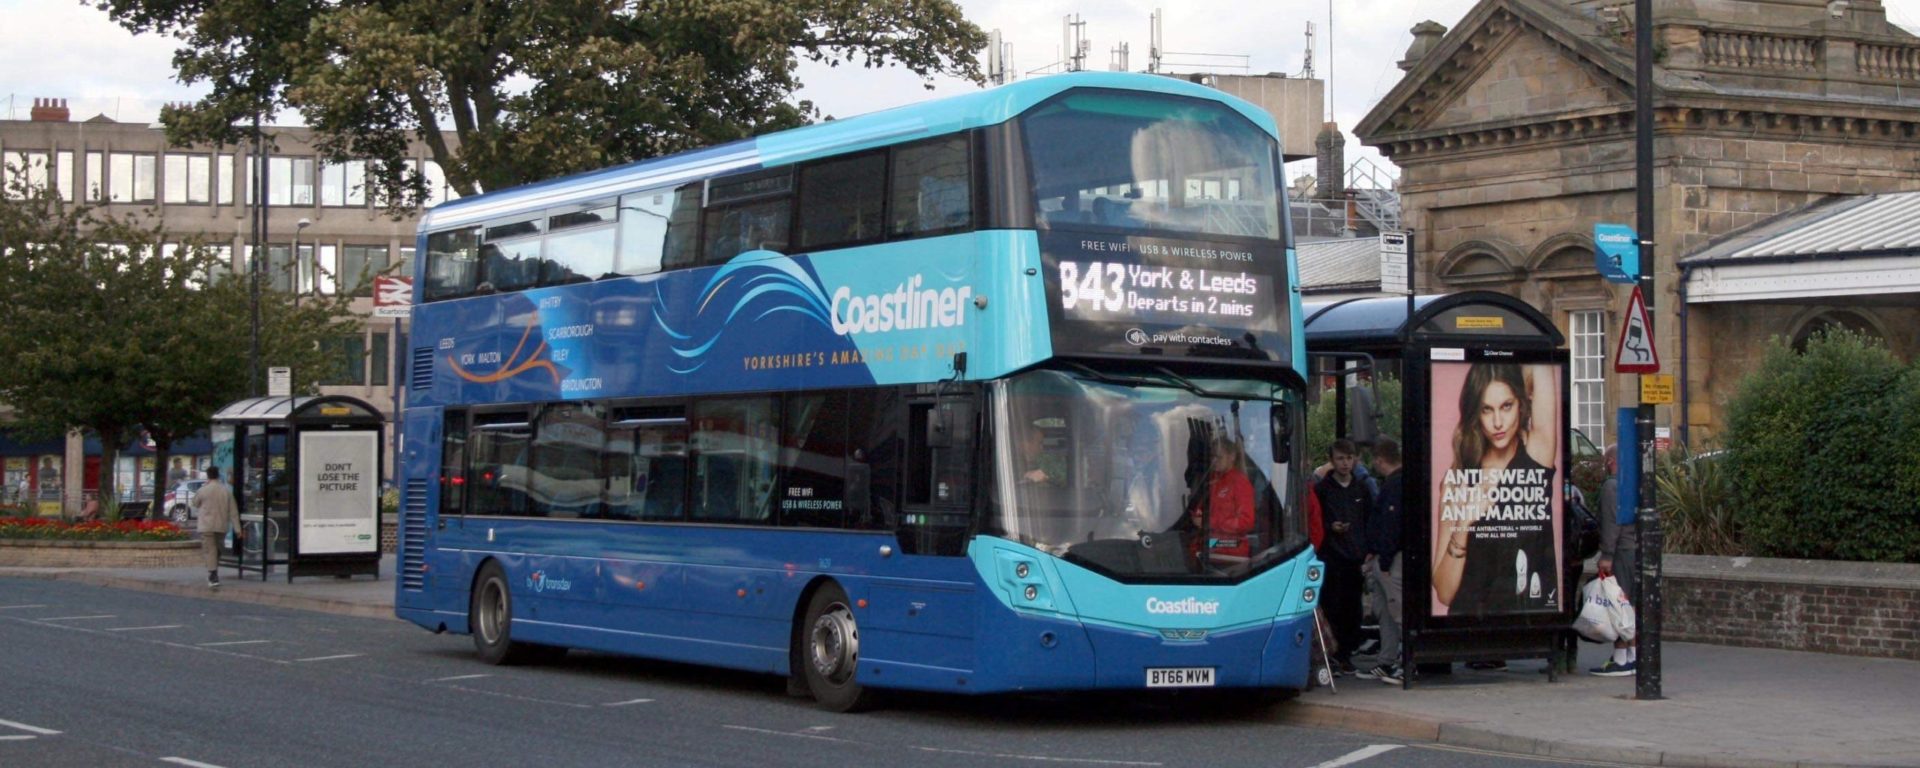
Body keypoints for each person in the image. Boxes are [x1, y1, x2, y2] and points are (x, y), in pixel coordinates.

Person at [1433, 363, 1560, 616]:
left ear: (1521, 404)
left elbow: (1541, 364)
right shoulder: (1459, 478)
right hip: (1468, 623)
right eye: (1486, 410)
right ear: (1475, 414)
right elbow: (1445, 593)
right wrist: (1463, 524)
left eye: (1506, 406)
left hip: (1525, 621)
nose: (1498, 422)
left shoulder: (1537, 452)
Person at [1315, 439, 1374, 675]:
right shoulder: (1323, 489)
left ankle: (1347, 653)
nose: (1345, 463)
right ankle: (1333, 654)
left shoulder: (1362, 488)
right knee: (1333, 605)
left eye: (1349, 458)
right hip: (1332, 557)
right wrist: (1331, 527)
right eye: (1340, 458)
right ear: (1331, 461)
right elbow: (1316, 521)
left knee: (1353, 608)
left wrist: (1368, 550)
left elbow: (1370, 519)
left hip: (1355, 557)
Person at [1358, 437, 1406, 684]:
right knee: (1384, 611)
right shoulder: (1393, 483)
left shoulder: (1396, 484)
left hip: (1390, 560)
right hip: (1382, 557)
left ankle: (1407, 663)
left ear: (1378, 459)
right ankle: (1386, 661)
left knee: (1396, 610)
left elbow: (1391, 526)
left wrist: (1383, 560)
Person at [1592, 444, 1640, 676]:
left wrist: (1607, 555)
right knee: (1628, 605)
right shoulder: (1633, 485)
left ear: (1611, 462)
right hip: (1633, 550)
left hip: (1620, 552)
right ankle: (1633, 655)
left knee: (1618, 604)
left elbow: (1612, 523)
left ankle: (1621, 659)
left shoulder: (1612, 487)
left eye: (1605, 461)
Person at [1187, 436, 1255, 562]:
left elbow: (1246, 522)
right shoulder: (1211, 481)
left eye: (1219, 457)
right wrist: (1198, 515)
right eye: (1212, 456)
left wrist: (1208, 522)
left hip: (1229, 552)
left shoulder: (1239, 482)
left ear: (1232, 457)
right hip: (1209, 549)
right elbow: (1203, 508)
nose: (1214, 461)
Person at [192, 466, 239, 588]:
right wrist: (237, 529)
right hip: (221, 525)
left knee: (210, 550)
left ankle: (213, 575)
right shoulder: (226, 491)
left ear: (208, 476)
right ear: (218, 475)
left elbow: (195, 503)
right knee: (217, 550)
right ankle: (213, 572)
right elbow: (233, 511)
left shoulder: (203, 490)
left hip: (206, 525)